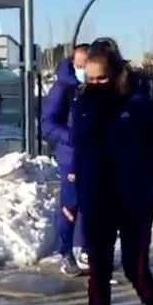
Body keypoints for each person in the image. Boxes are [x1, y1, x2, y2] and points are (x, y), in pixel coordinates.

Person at [70, 40, 153, 305]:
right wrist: (76, 190)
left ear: (114, 75)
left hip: (134, 200)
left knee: (135, 267)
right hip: (97, 199)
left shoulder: (137, 105)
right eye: (90, 79)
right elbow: (78, 150)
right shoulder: (83, 104)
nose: (95, 85)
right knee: (97, 272)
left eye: (101, 79)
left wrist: (151, 173)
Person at [42, 43, 90, 277]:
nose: (82, 69)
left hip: (96, 155)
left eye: (86, 65)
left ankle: (87, 250)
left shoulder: (97, 87)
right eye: (79, 65)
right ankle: (66, 252)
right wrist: (72, 137)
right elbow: (48, 125)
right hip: (72, 157)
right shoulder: (62, 89)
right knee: (71, 206)